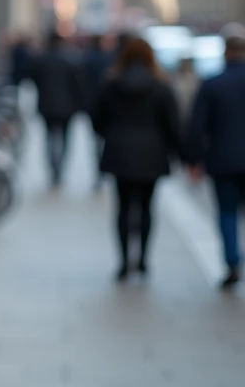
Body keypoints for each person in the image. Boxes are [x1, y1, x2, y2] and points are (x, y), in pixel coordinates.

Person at [91, 38, 181, 280]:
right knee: (147, 208)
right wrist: (180, 153)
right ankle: (142, 259)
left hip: (120, 153)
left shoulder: (111, 84)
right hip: (152, 153)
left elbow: (97, 119)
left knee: (122, 208)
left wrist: (112, 134)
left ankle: (123, 261)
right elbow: (173, 124)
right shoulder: (161, 86)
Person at [186, 32, 245, 289]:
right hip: (226, 159)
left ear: (226, 53)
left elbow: (197, 126)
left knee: (227, 213)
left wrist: (193, 159)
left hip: (224, 159)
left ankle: (232, 262)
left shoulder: (213, 84)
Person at [28, 31, 86, 188]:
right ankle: (60, 167)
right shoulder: (70, 60)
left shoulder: (41, 60)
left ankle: (53, 168)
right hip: (67, 107)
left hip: (47, 105)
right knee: (65, 138)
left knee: (49, 137)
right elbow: (77, 85)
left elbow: (33, 79)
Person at [82, 33, 118, 190]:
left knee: (97, 141)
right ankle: (104, 171)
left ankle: (99, 172)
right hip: (108, 107)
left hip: (94, 105)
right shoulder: (111, 59)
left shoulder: (87, 59)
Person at [171, 56, 200, 127]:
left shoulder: (196, 78)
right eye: (183, 62)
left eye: (187, 63)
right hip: (178, 112)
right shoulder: (173, 79)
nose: (185, 64)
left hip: (192, 112)